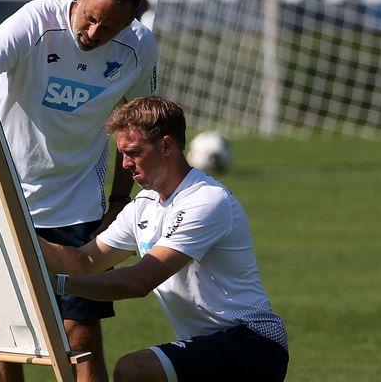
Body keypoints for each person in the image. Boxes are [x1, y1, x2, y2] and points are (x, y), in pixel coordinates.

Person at [0, 0, 157, 382]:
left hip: (78, 206)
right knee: (6, 341)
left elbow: (137, 126)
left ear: (128, 25)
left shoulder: (139, 46)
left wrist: (118, 203)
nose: (93, 32)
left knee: (81, 337)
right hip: (2, 197)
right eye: (90, 17)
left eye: (108, 28)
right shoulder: (35, 20)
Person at [39, 96, 289, 382]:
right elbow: (84, 260)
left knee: (135, 370)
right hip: (210, 346)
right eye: (121, 153)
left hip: (253, 342)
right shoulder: (143, 204)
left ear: (166, 146)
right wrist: (19, 234)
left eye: (133, 152)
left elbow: (138, 282)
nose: (125, 164)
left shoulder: (205, 200)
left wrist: (59, 285)